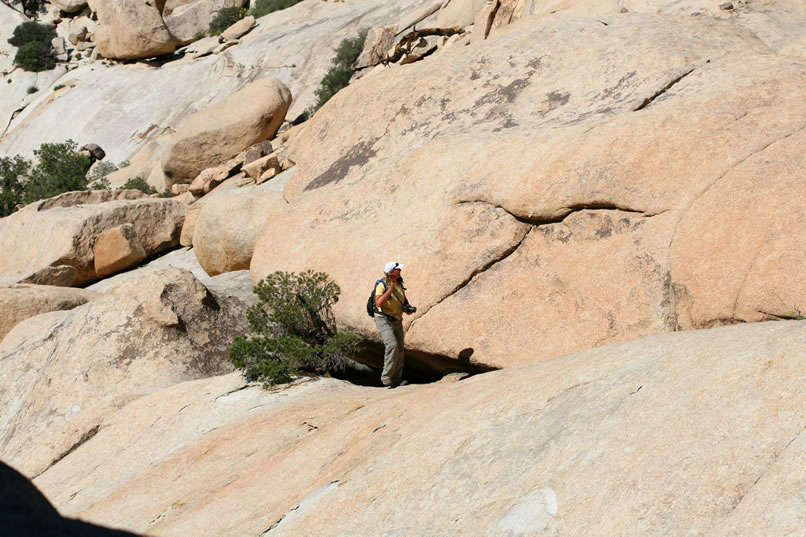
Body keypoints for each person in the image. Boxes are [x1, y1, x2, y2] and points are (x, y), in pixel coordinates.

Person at [374, 261, 414, 388]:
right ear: (391, 272)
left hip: (397, 319)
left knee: (400, 349)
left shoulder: (399, 282)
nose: (400, 270)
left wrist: (407, 307)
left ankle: (396, 379)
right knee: (392, 345)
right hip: (384, 319)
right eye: (398, 269)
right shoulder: (382, 284)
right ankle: (386, 377)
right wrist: (389, 290)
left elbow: (402, 296)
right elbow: (379, 303)